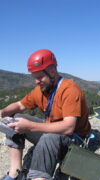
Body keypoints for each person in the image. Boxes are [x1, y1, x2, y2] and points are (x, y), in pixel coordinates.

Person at [0, 49, 91, 180]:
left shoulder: (70, 90)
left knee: (49, 138)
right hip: (54, 132)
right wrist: (3, 112)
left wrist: (30, 126)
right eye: (34, 77)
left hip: (74, 139)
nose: (36, 81)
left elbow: (69, 127)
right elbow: (20, 105)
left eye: (39, 77)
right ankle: (15, 173)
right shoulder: (41, 90)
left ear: (52, 71)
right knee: (16, 119)